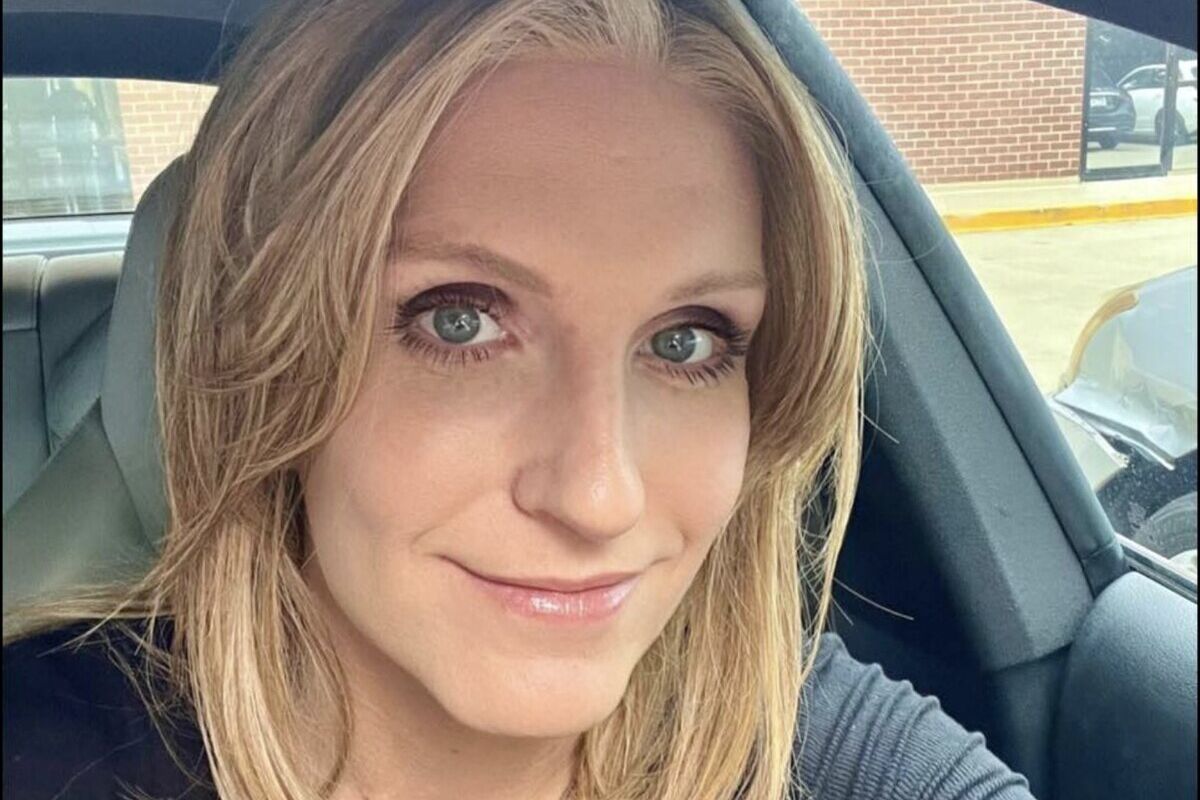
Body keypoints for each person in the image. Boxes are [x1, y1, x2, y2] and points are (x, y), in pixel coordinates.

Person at [2, 1, 1037, 798]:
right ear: (265, 354)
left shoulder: (812, 738)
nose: (598, 495)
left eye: (686, 342)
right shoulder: (49, 747)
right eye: (459, 321)